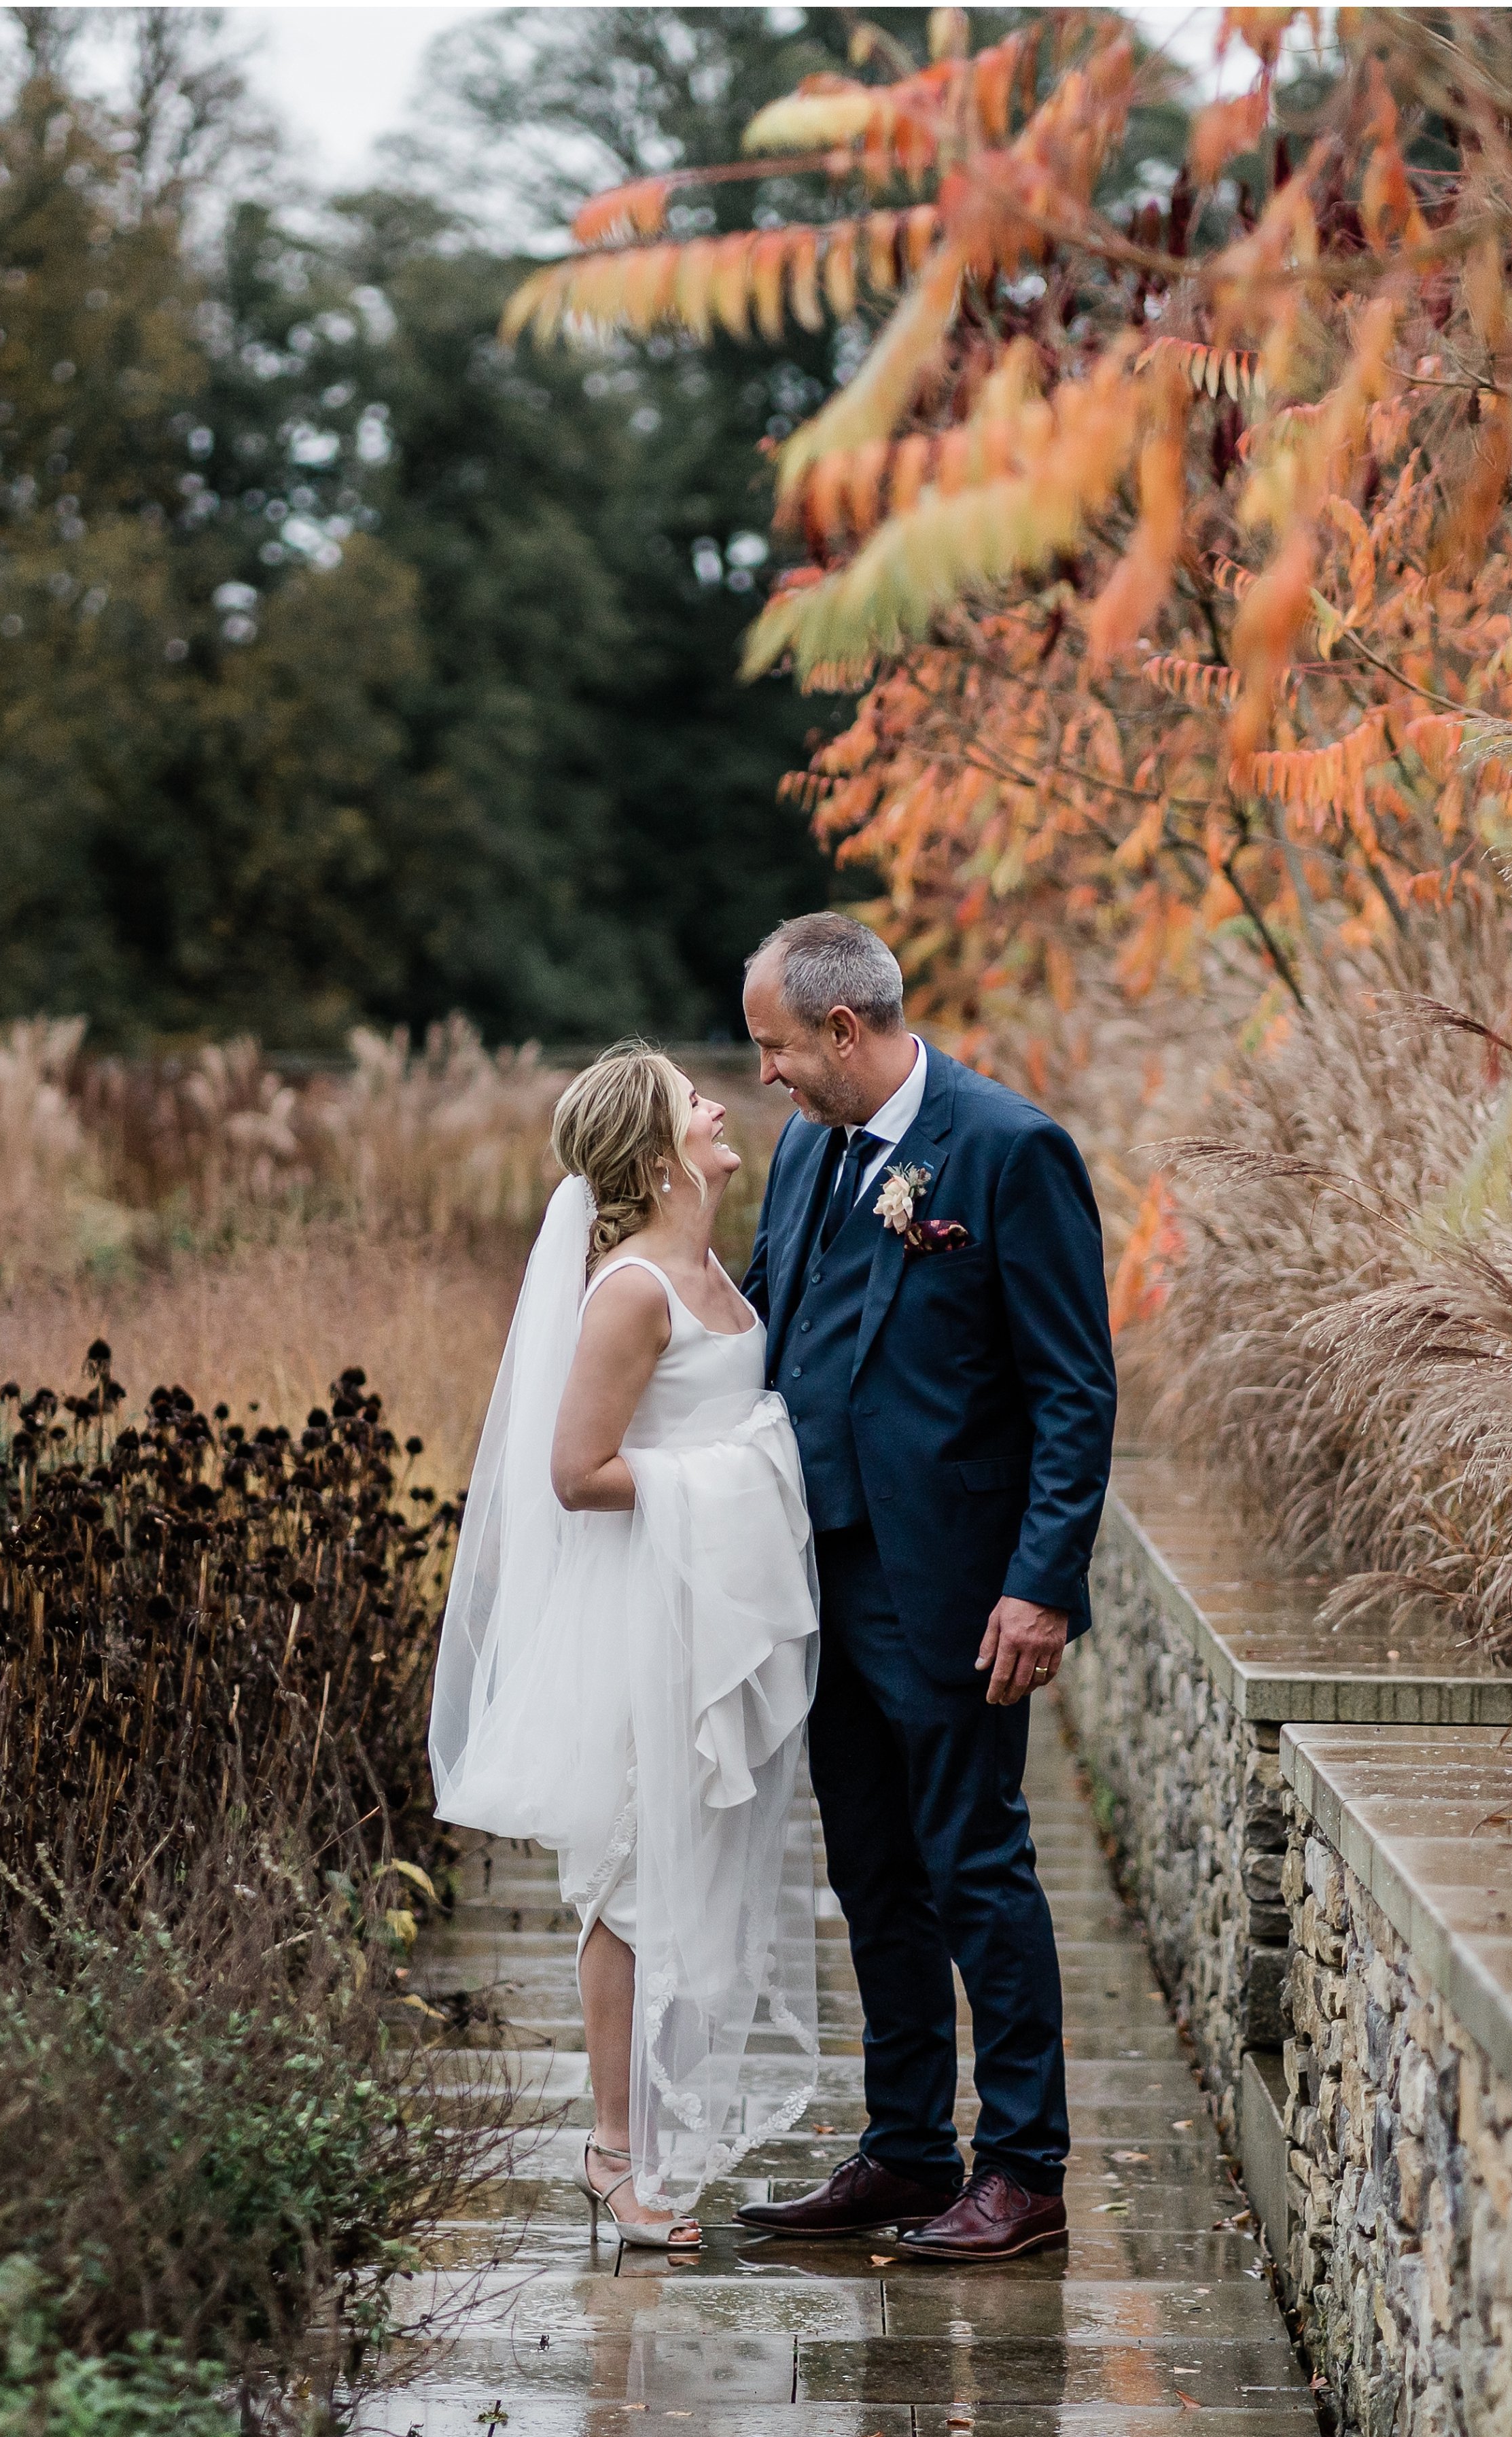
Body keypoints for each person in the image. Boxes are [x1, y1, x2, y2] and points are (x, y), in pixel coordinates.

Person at [736, 913, 1116, 2262]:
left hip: (952, 1585)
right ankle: (906, 2147)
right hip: (814, 1572)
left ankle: (1022, 2165)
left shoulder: (1008, 1149)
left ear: (843, 1030)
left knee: (974, 1861)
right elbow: (768, 1309)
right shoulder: (802, 1148)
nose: (766, 1074)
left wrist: (1040, 1583)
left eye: (776, 1047)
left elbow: (1073, 1387)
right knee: (868, 1865)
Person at [429, 1044, 820, 2249]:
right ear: (657, 1155)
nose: (718, 1103)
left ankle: (655, 2129)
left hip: (712, 1608)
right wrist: (744, 1475)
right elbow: (575, 1473)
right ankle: (611, 2147)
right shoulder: (633, 1289)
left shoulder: (711, 1268)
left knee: (700, 1867)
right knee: (632, 1881)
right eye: (691, 1100)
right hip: (645, 1617)